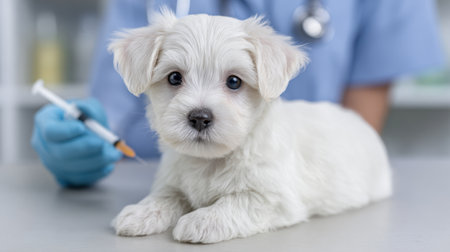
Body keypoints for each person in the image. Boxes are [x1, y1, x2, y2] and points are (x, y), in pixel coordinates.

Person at [32, 0, 444, 187]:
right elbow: (115, 103)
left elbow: (356, 134)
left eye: (234, 83)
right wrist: (81, 139)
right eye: (175, 79)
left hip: (278, 179)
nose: (201, 107)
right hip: (153, 175)